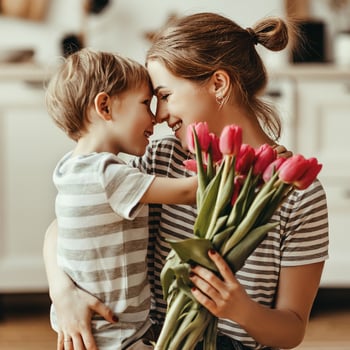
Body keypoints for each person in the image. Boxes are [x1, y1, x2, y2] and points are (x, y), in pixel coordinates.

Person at [43, 12, 329, 350]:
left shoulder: (297, 193)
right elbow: (68, 222)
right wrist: (63, 293)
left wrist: (241, 310)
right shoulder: (162, 160)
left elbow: (291, 331)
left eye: (164, 95)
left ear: (218, 84)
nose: (159, 115)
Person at [44, 48, 198, 350]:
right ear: (105, 106)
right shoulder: (107, 174)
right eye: (145, 103)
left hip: (96, 331)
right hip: (117, 335)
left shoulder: (70, 167)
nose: (155, 117)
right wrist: (242, 164)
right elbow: (187, 191)